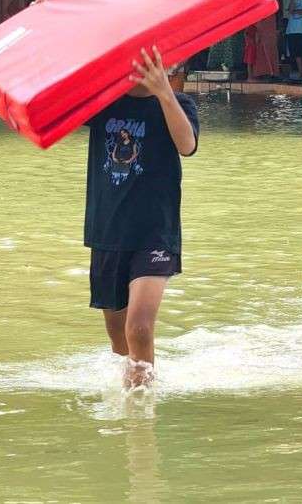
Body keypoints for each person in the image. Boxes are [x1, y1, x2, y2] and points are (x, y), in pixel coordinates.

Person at [85, 46, 200, 389]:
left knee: (139, 327)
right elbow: (48, 104)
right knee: (120, 341)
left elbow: (187, 145)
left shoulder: (179, 106)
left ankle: (141, 413)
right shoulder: (102, 104)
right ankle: (133, 385)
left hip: (155, 234)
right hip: (108, 232)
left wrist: (165, 92)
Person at [243, 12, 279, 81]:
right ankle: (250, 77)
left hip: (252, 44)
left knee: (251, 61)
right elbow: (248, 34)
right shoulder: (253, 24)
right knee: (250, 61)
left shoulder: (253, 24)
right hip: (251, 45)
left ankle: (251, 76)